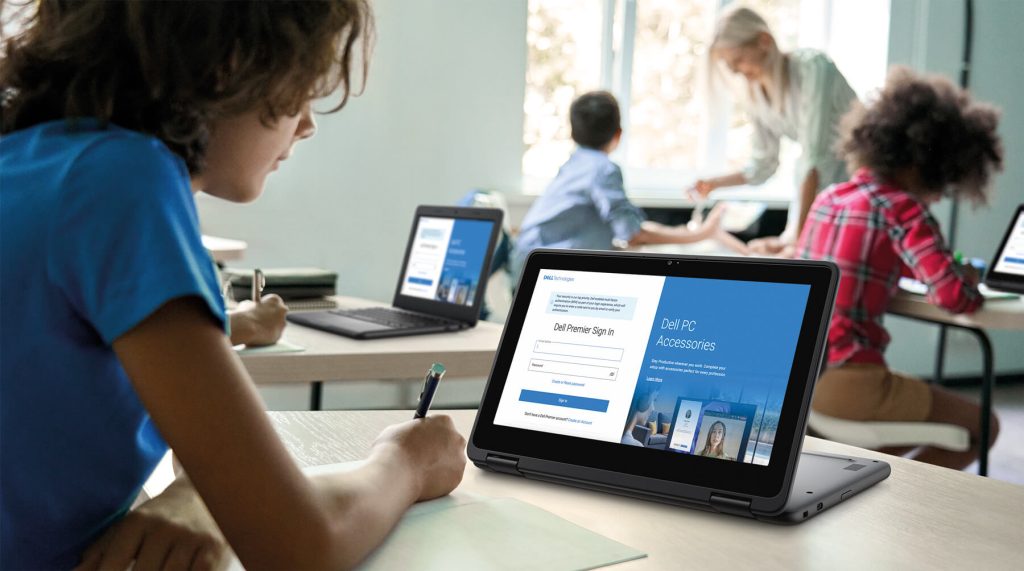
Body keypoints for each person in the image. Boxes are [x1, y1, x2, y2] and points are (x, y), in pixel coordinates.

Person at [0, 2, 466, 569]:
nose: (309, 122)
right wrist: (409, 459)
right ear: (234, 62)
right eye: (303, 84)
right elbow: (298, 544)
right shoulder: (123, 180)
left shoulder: (35, 160)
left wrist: (201, 493)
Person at [796, 67, 1003, 470]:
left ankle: (880, 492)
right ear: (925, 162)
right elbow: (953, 297)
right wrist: (968, 279)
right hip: (852, 385)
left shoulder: (829, 198)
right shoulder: (903, 207)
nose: (940, 193)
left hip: (802, 377)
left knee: (874, 452)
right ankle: (909, 505)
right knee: (984, 425)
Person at [693, 6, 857, 255]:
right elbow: (763, 166)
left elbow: (814, 160)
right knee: (764, 252)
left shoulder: (813, 69)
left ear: (764, 41)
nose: (736, 71)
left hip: (853, 187)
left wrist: (797, 243)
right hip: (814, 196)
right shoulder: (755, 94)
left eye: (738, 60)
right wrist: (714, 183)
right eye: (730, 66)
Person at [512, 91, 724, 278]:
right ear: (618, 133)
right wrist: (701, 235)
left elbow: (631, 224)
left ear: (572, 133)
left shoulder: (575, 163)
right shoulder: (604, 169)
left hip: (523, 258)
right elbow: (632, 234)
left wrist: (685, 231)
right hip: (541, 269)